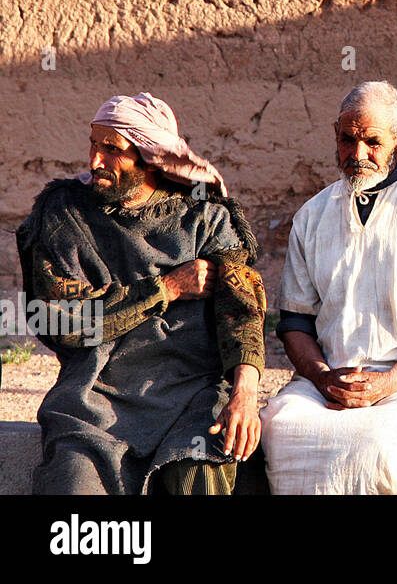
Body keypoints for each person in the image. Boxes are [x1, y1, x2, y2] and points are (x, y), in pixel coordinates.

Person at [18, 92, 264, 494]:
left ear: (150, 157)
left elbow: (242, 310)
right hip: (93, 401)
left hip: (191, 397)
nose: (95, 161)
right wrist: (165, 288)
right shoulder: (64, 214)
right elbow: (60, 319)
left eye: (112, 150)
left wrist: (245, 394)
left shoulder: (206, 219)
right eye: (93, 145)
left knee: (198, 477)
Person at [260, 81, 397, 494]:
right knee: (282, 428)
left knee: (379, 444)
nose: (357, 154)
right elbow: (295, 323)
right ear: (335, 136)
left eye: (373, 142)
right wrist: (323, 378)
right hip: (330, 380)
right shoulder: (312, 215)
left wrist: (388, 383)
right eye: (347, 139)